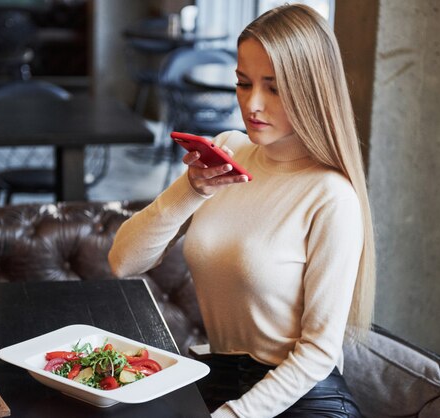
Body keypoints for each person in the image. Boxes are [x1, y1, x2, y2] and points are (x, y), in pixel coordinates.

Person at [109, 4, 375, 418]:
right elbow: (122, 261)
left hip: (301, 399)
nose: (252, 104)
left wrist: (232, 416)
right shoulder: (229, 150)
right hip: (219, 382)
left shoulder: (331, 196)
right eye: (242, 82)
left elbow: (320, 351)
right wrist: (190, 191)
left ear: (311, 89)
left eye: (274, 87)